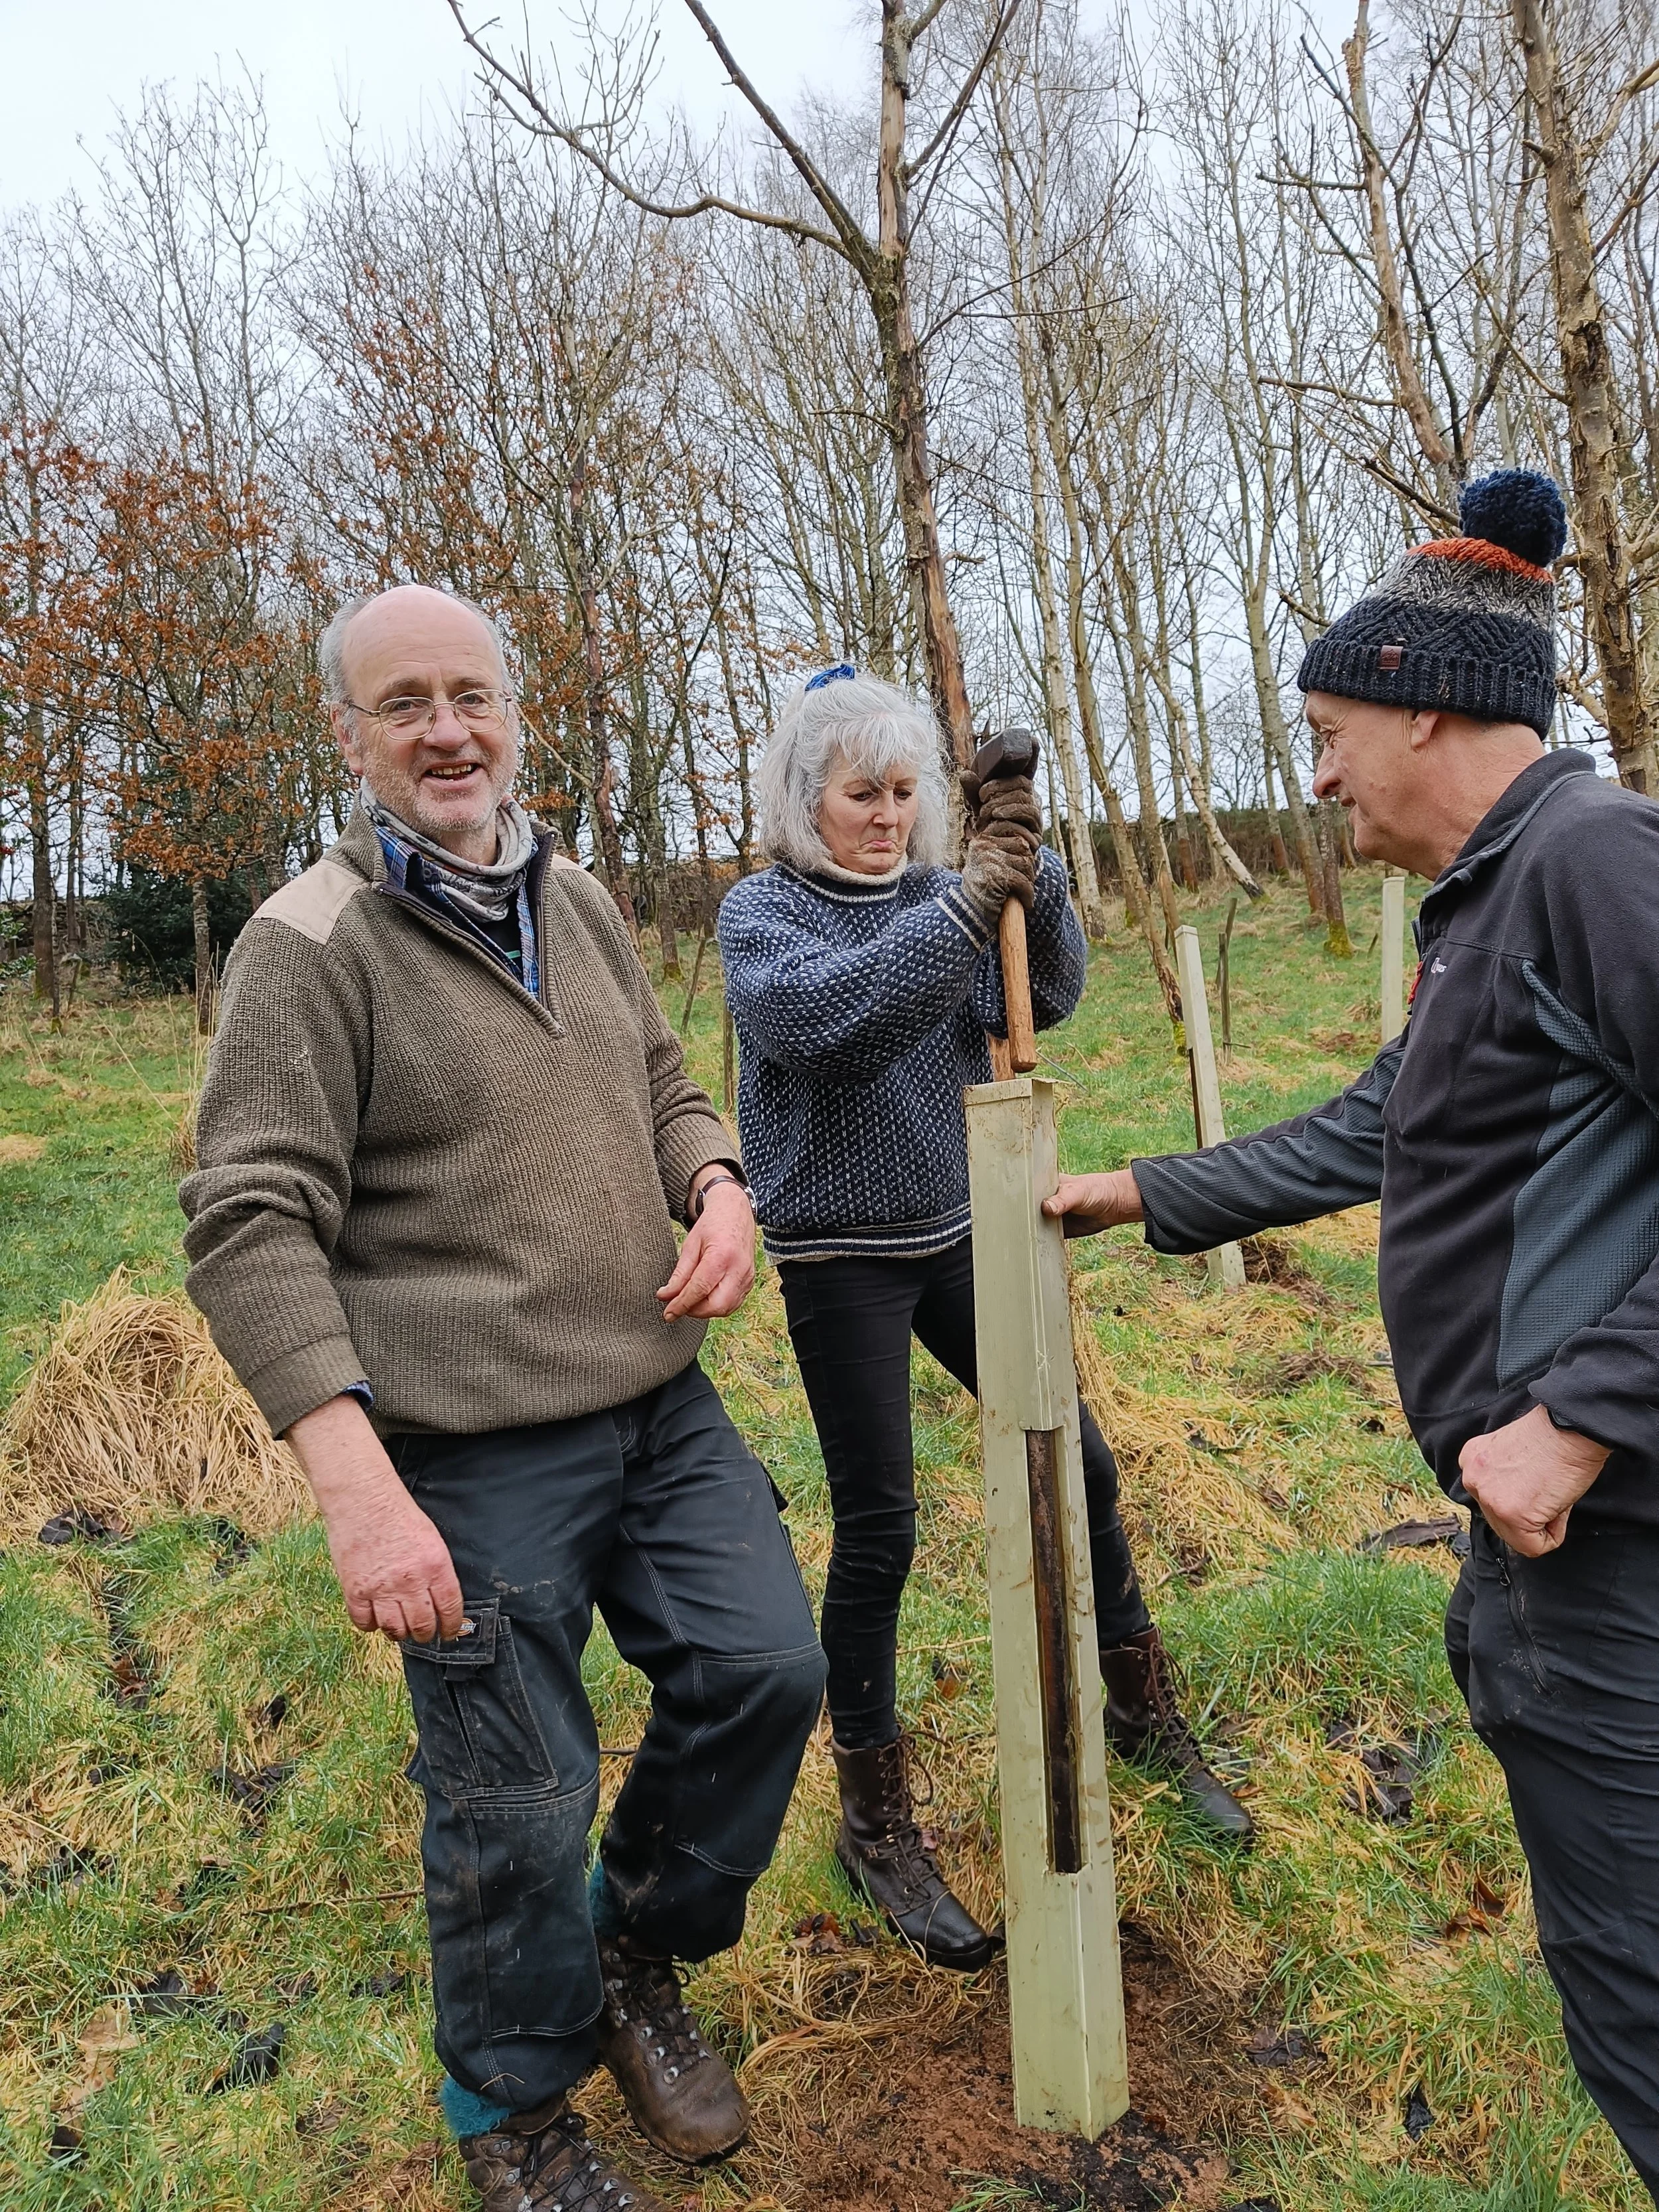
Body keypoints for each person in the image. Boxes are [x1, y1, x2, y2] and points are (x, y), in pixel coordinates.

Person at [1048, 471, 1659, 2203]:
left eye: (1323, 731)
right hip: (1548, 1546)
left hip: (1611, 1532)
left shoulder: (1592, 861)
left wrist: (1584, 1418)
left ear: (1421, 703)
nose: (1312, 778)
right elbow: (1370, 1127)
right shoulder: (1489, 901)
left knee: (1637, 2008)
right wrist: (1128, 1191)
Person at [180, 585, 827, 2212]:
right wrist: (355, 1482)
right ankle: (513, 2111)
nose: (448, 730)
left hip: (657, 1403)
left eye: (471, 694)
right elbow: (248, 1221)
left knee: (762, 1670)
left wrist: (722, 1180)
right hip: (466, 1448)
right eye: (405, 703)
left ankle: (632, 1955)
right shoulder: (307, 948)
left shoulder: (581, 899)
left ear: (515, 714)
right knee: (512, 1798)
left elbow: (668, 1077)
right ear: (347, 734)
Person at [717, 667, 1253, 1972]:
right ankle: (874, 1814)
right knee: (881, 1523)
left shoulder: (934, 898)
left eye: (906, 793)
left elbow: (1046, 993)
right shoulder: (762, 917)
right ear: (804, 801)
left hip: (963, 1223)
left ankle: (1138, 1709)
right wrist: (967, 900)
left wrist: (1035, 870)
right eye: (861, 795)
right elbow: (835, 1025)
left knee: (1081, 1460)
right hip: (840, 1249)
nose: (889, 817)